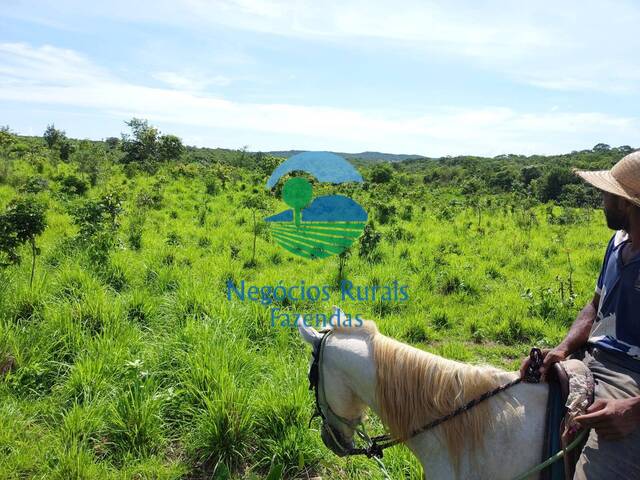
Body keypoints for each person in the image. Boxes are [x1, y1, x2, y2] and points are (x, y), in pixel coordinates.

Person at [519, 151, 640, 480]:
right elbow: (595, 306)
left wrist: (634, 409)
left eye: (608, 194)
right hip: (592, 356)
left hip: (632, 379)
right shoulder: (617, 243)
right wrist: (562, 349)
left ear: (627, 204)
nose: (602, 200)